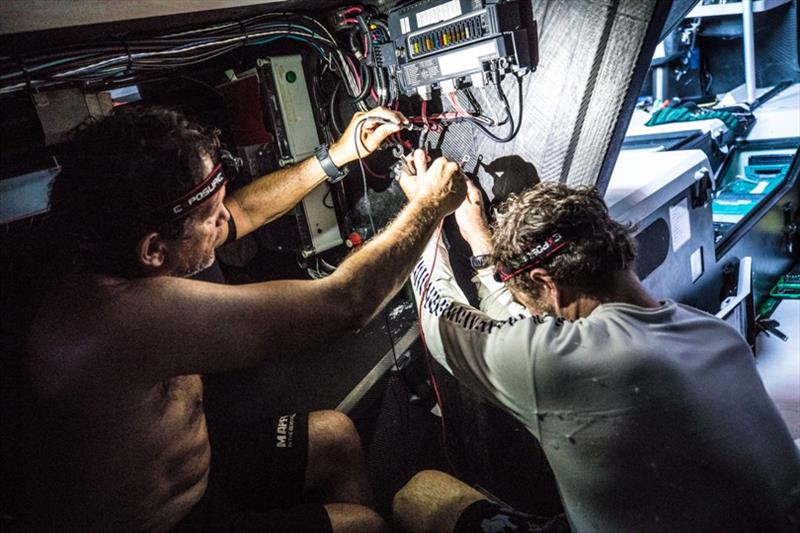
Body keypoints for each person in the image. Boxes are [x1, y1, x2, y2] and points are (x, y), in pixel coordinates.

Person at [18, 106, 466, 532]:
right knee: (363, 526)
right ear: (154, 250)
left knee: (336, 434)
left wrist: (337, 154)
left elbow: (244, 211)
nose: (224, 221)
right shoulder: (117, 320)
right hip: (175, 522)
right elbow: (345, 304)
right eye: (211, 217)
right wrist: (429, 205)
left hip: (201, 471)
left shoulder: (115, 249)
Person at [391, 150, 800, 533]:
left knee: (421, 495)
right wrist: (480, 240)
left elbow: (436, 311)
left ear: (547, 286)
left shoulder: (558, 363)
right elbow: (529, 333)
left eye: (530, 298)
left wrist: (426, 209)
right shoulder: (713, 332)